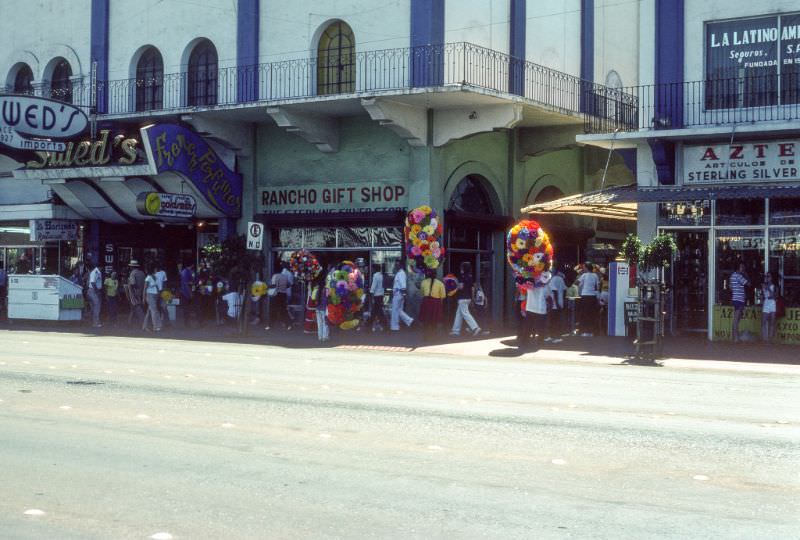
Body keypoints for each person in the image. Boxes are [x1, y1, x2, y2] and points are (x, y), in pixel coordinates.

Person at [518, 272, 554, 350]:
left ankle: (524, 343)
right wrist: (550, 308)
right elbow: (549, 298)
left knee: (528, 327)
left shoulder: (529, 285)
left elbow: (521, 288)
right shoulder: (546, 287)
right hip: (540, 309)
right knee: (541, 328)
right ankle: (540, 344)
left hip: (530, 308)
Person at [450, 261, 482, 337]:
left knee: (465, 313)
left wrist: (454, 285)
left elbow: (460, 287)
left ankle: (475, 328)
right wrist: (472, 298)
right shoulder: (470, 277)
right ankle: (455, 331)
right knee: (459, 314)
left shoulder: (462, 276)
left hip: (462, 298)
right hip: (468, 298)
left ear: (463, 268)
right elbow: (472, 288)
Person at [418, 269, 445, 341]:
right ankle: (434, 335)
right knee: (434, 320)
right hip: (436, 303)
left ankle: (426, 335)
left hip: (426, 302)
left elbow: (422, 293)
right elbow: (442, 296)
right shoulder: (440, 284)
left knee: (426, 319)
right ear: (436, 275)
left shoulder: (423, 282)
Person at [574, 261, 599, 337]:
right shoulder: (595, 275)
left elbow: (576, 283)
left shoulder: (584, 275)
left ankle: (584, 331)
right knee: (591, 314)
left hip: (585, 296)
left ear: (586, 267)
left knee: (584, 314)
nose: (583, 268)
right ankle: (591, 331)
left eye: (584, 267)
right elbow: (596, 286)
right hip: (593, 296)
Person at [390, 260, 414, 331]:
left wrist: (403, 294)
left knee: (395, 310)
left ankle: (395, 327)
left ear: (401, 265)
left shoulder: (401, 273)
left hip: (399, 293)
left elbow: (403, 285)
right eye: (395, 264)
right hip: (398, 293)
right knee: (398, 310)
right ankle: (409, 320)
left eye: (397, 264)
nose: (396, 265)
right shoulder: (399, 273)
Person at [268, 263, 293, 330]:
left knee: (273, 310)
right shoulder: (284, 276)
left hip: (276, 295)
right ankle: (288, 325)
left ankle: (271, 325)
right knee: (283, 310)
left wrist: (268, 286)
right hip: (283, 294)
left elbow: (273, 285)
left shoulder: (275, 276)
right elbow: (289, 285)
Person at [545, 268, 566, 343]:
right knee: (556, 320)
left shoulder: (552, 280)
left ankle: (555, 337)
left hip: (554, 304)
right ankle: (553, 336)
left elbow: (554, 291)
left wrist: (556, 303)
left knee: (553, 321)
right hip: (559, 303)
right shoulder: (560, 279)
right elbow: (564, 290)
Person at [730, 262, 749, 343]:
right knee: (736, 319)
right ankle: (736, 338)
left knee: (736, 319)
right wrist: (746, 274)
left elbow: (730, 287)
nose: (743, 268)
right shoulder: (739, 276)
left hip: (735, 298)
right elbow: (748, 283)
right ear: (738, 268)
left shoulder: (732, 276)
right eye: (742, 267)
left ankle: (735, 336)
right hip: (739, 299)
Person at [367, 263, 387, 332]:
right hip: (381, 295)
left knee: (376, 311)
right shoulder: (381, 275)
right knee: (377, 311)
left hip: (376, 296)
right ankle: (370, 323)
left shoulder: (375, 276)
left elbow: (373, 287)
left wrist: (371, 295)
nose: (371, 270)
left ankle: (370, 324)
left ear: (374, 269)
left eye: (372, 268)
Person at [143, 264, 162, 332]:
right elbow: (145, 289)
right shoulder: (148, 278)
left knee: (149, 311)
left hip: (155, 296)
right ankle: (156, 326)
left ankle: (144, 326)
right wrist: (144, 298)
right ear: (153, 270)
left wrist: (158, 294)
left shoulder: (155, 277)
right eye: (155, 269)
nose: (156, 270)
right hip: (150, 295)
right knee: (154, 311)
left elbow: (157, 286)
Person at [128, 260, 146, 326]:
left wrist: (129, 284)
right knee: (134, 308)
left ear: (132, 267)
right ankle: (130, 323)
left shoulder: (133, 273)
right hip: (142, 293)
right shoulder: (142, 273)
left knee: (137, 308)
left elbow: (133, 283)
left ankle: (143, 323)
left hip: (135, 293)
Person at [86, 259, 103, 328]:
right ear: (101, 267)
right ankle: (95, 323)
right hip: (93, 291)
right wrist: (97, 291)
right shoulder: (95, 272)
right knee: (97, 307)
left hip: (93, 291)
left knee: (93, 308)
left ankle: (91, 321)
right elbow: (92, 282)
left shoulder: (97, 272)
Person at [761, 272, 777, 343]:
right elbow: (762, 295)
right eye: (766, 276)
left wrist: (768, 288)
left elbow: (774, 295)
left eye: (768, 276)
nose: (767, 277)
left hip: (772, 302)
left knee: (772, 321)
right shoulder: (763, 285)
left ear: (771, 278)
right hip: (766, 302)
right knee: (764, 321)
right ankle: (765, 338)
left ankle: (770, 338)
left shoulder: (774, 286)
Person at [313, 274, 329, 342]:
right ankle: (324, 337)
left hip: (318, 308)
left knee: (319, 324)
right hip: (324, 308)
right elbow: (328, 299)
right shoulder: (326, 290)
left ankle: (320, 337)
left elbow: (314, 298)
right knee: (325, 323)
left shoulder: (317, 290)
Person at [178, 262, 195, 327]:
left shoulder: (184, 271)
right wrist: (190, 293)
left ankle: (187, 322)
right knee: (187, 308)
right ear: (192, 265)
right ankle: (187, 323)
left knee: (186, 308)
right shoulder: (188, 272)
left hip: (183, 291)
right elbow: (187, 284)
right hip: (187, 292)